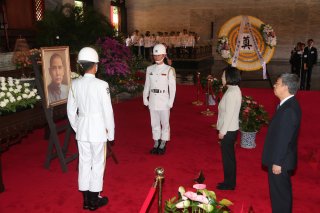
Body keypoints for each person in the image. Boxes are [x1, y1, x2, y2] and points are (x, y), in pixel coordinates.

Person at [67, 47, 115, 211]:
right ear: (95, 65)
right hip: (98, 131)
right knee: (98, 163)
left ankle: (86, 200)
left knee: (84, 163)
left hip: (82, 131)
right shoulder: (102, 85)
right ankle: (95, 200)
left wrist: (77, 127)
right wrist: (111, 132)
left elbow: (70, 111)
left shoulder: (74, 84)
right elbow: (107, 111)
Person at [262, 73, 301, 213]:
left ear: (285, 87)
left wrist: (277, 162)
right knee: (280, 193)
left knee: (280, 196)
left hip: (281, 161)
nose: (274, 85)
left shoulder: (288, 109)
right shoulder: (286, 105)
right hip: (281, 158)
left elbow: (285, 138)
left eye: (277, 83)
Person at [143, 43, 176, 155]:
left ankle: (163, 143)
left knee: (165, 123)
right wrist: (145, 97)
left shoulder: (169, 70)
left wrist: (171, 101)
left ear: (164, 55)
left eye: (158, 55)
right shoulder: (149, 68)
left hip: (164, 100)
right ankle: (156, 142)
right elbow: (147, 84)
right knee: (154, 123)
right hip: (152, 99)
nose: (156, 57)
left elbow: (172, 88)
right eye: (155, 55)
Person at [216, 66, 242, 190]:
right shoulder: (233, 89)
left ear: (229, 77)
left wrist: (222, 131)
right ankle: (228, 181)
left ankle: (229, 183)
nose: (221, 78)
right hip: (231, 129)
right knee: (229, 157)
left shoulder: (232, 93)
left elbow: (229, 114)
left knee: (228, 158)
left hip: (229, 130)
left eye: (223, 76)